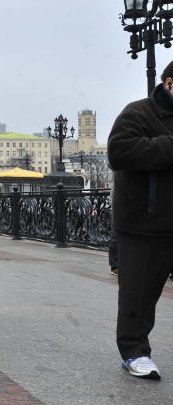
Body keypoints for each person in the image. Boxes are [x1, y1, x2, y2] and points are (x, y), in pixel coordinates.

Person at [107, 60, 173, 380]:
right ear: (170, 84)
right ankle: (134, 352)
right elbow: (119, 152)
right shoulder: (138, 112)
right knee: (139, 293)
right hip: (143, 223)